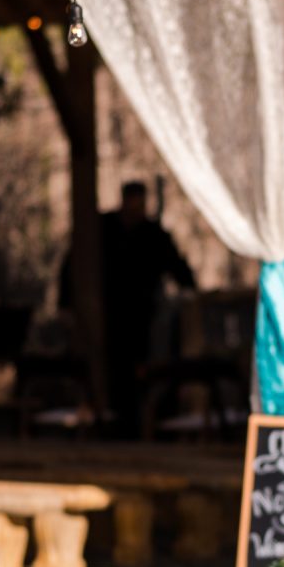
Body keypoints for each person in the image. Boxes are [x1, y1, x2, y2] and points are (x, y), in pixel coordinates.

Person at [98, 179, 194, 435]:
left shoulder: (153, 235)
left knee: (145, 371)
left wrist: (192, 291)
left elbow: (177, 267)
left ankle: (140, 425)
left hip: (143, 315)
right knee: (112, 371)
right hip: (109, 313)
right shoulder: (104, 228)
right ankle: (113, 425)